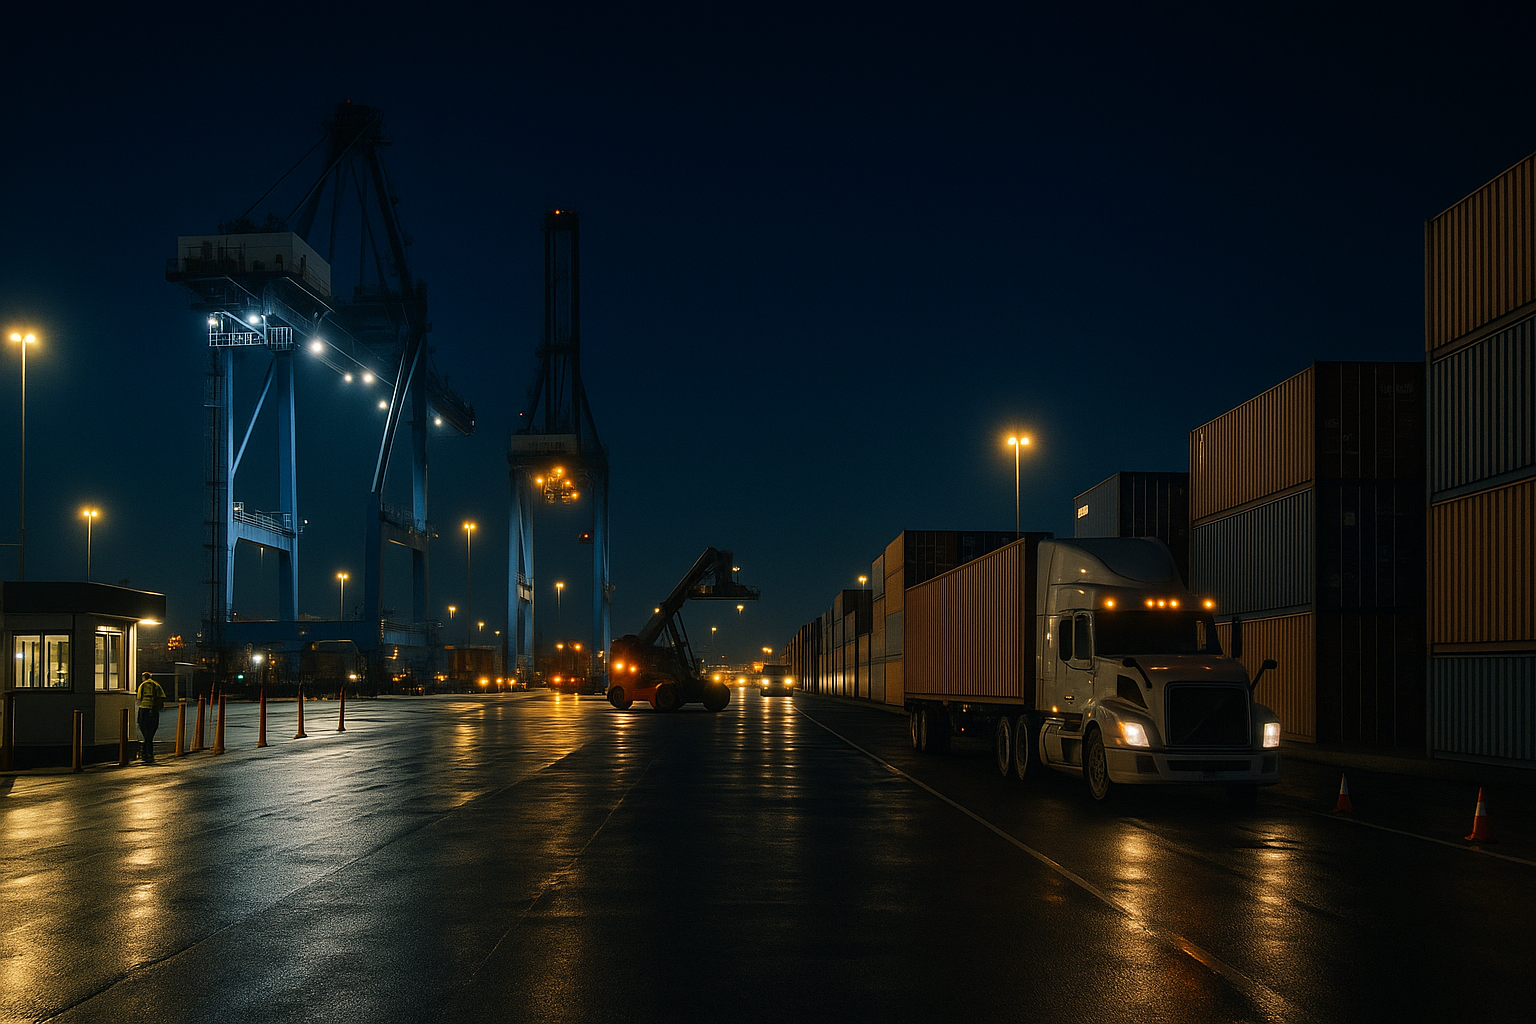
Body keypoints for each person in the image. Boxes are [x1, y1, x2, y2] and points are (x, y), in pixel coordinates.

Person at [136, 672, 167, 764]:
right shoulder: (156, 685)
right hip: (153, 710)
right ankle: (148, 752)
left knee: (144, 731)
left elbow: (139, 697)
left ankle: (146, 752)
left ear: (143, 677)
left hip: (143, 710)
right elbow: (161, 697)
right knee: (151, 732)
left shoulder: (142, 685)